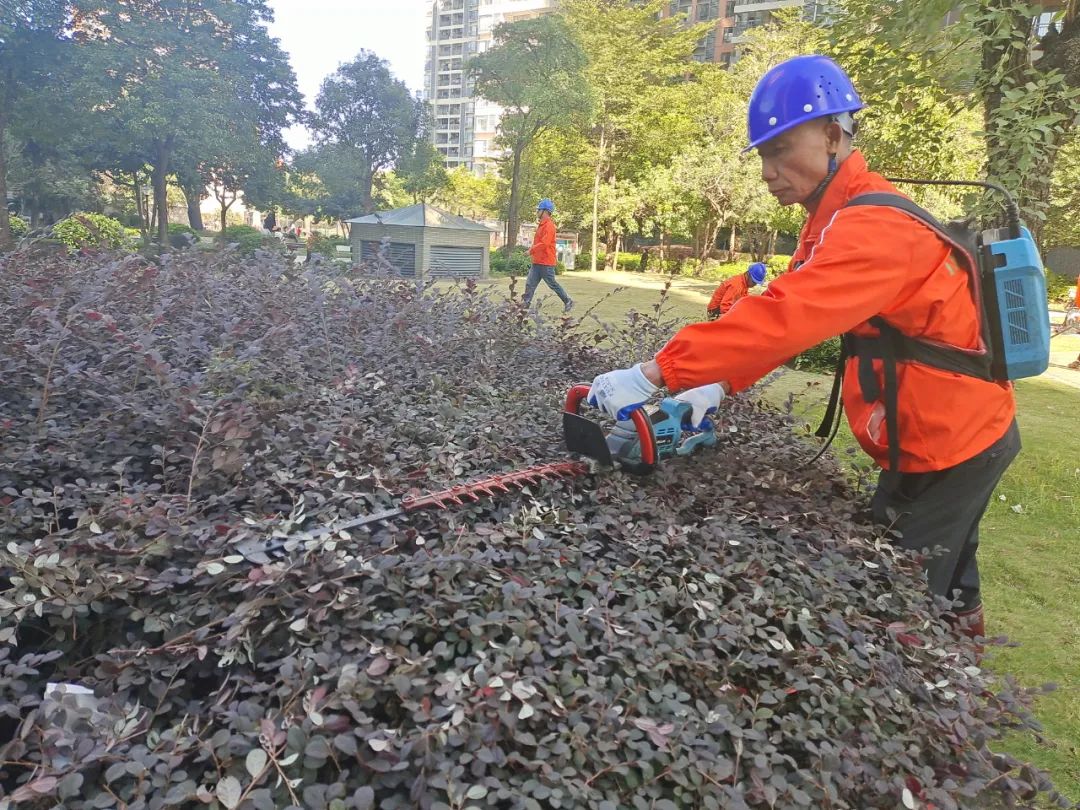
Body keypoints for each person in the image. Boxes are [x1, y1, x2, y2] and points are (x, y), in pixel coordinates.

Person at [586, 55, 1020, 643]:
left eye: (780, 149)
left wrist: (656, 373)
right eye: (762, 155)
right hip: (933, 433)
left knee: (898, 597)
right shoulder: (834, 219)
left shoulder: (876, 228)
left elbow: (783, 318)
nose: (768, 171)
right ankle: (966, 665)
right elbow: (793, 314)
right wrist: (715, 384)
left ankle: (922, 697)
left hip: (959, 441)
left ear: (832, 135)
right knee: (948, 567)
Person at [523, 199, 574, 313]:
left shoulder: (549, 226)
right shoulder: (541, 225)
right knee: (530, 284)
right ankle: (524, 306)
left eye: (539, 209)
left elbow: (544, 243)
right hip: (537, 262)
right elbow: (538, 243)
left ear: (545, 211)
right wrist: (532, 252)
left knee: (552, 284)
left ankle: (568, 301)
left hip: (546, 262)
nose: (537, 212)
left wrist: (530, 251)